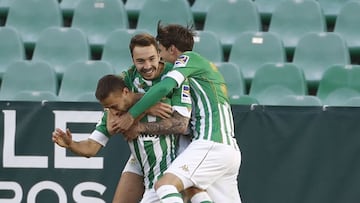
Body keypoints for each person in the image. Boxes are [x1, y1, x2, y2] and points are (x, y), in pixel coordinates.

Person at [53, 33, 209, 203]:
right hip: (141, 158)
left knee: (194, 192)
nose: (147, 66)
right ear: (133, 60)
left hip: (179, 151)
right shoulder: (126, 81)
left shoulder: (174, 76)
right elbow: (101, 136)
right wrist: (71, 144)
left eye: (151, 59)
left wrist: (140, 113)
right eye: (140, 61)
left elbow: (180, 124)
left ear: (159, 54)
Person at [109, 22, 242, 203]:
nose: (159, 58)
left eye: (160, 51)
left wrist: (132, 116)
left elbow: (164, 88)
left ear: (172, 49)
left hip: (211, 142)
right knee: (193, 189)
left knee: (165, 186)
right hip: (228, 149)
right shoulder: (205, 71)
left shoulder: (188, 59)